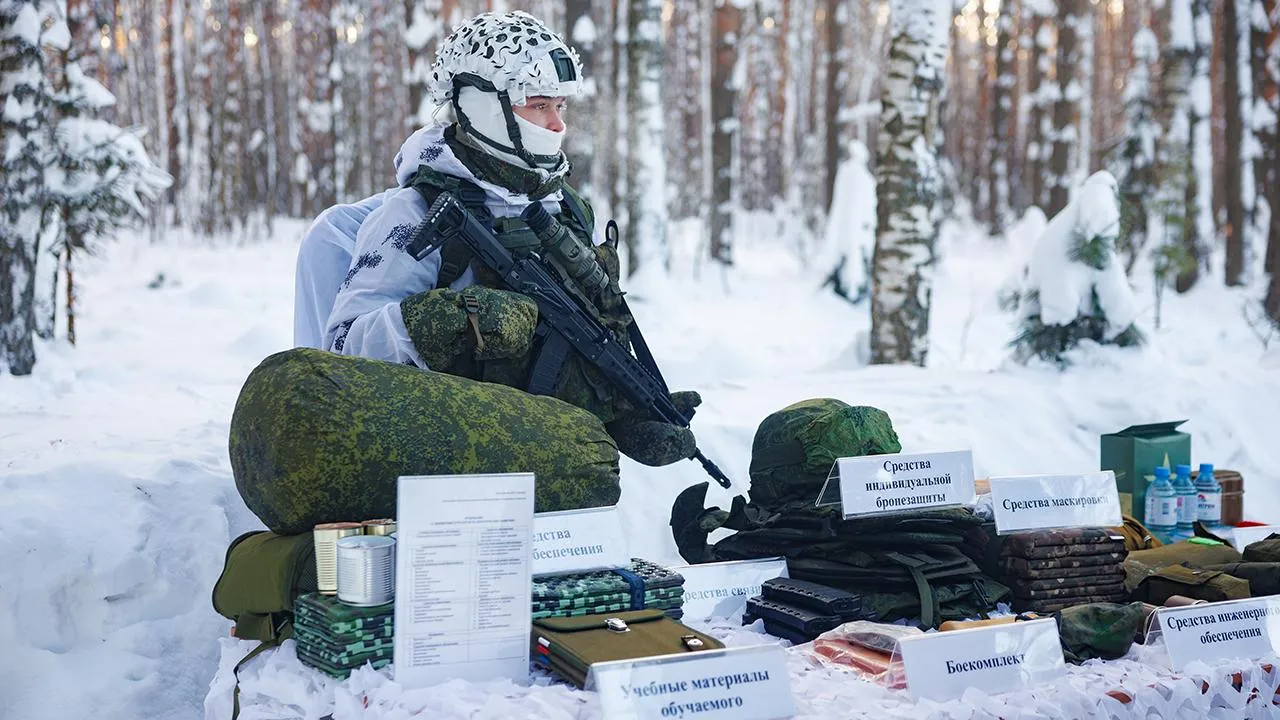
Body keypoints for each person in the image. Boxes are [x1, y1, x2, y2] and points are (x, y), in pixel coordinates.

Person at [293, 11, 699, 468]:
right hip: (443, 467)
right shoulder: (414, 213)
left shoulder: (565, 210)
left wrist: (624, 412)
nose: (557, 125)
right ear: (483, 105)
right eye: (539, 105)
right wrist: (438, 322)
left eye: (560, 107)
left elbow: (577, 344)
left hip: (550, 469)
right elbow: (341, 352)